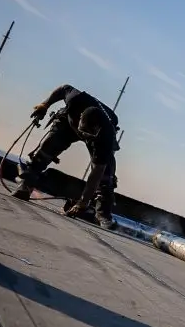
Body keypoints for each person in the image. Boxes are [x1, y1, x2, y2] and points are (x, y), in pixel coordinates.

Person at [13, 84, 121, 230]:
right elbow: (64, 88)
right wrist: (45, 105)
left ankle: (103, 213)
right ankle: (26, 185)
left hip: (97, 133)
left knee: (106, 175)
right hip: (68, 123)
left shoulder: (105, 137)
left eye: (88, 134)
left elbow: (96, 173)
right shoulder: (76, 99)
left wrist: (83, 202)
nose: (83, 136)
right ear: (80, 116)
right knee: (47, 148)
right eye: (83, 132)